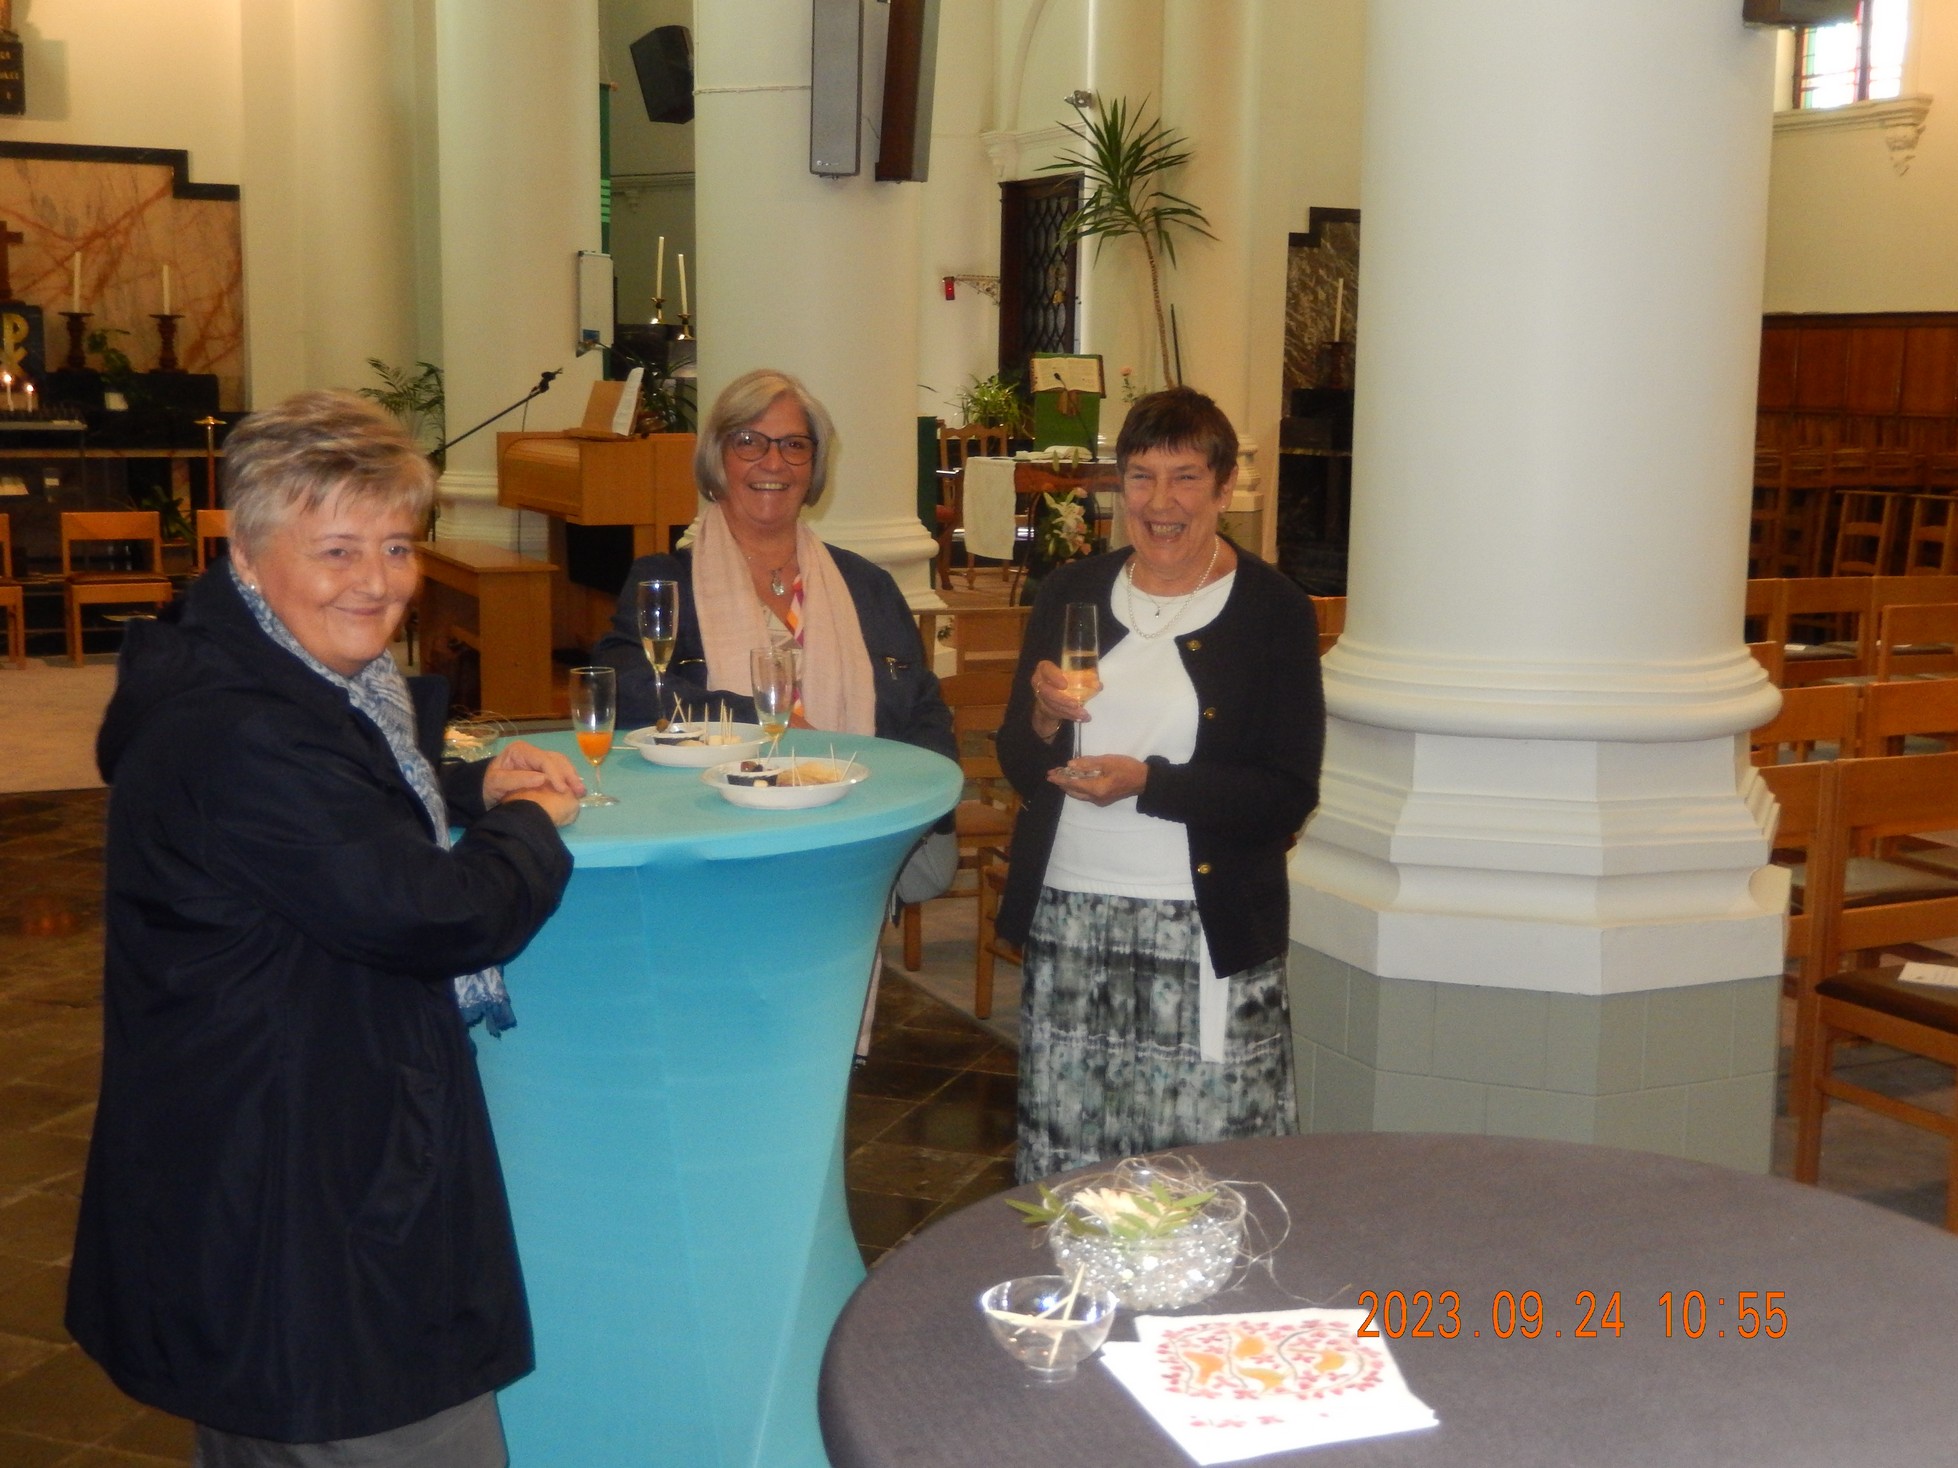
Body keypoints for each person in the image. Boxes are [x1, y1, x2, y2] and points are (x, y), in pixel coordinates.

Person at [67, 390, 586, 1467]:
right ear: (249, 558)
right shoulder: (243, 729)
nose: (378, 581)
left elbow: (344, 805)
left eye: (395, 545)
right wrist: (533, 825)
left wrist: (470, 784)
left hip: (262, 1177)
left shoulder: (263, 673)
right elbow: (439, 913)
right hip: (307, 1215)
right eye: (337, 549)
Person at [996, 386, 1325, 1184]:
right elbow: (1018, 761)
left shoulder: (1272, 610)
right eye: (1141, 477)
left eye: (1185, 477)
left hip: (1202, 926)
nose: (1160, 502)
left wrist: (1148, 784)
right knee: (1074, 1157)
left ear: (1224, 486)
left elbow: (1285, 794)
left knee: (1208, 1164)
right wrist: (1042, 720)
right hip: (1073, 913)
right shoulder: (1071, 591)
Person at [592, 367, 954, 770]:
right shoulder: (666, 582)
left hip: (860, 797)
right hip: (711, 801)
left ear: (814, 464)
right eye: (749, 442)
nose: (774, 463)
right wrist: (762, 722)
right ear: (717, 457)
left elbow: (924, 710)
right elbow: (624, 687)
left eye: (794, 445)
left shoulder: (868, 586)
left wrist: (918, 786)